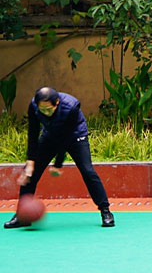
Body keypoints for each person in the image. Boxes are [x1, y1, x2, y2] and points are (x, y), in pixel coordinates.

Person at [6, 87, 114, 228]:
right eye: (42, 110)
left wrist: (58, 164)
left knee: (88, 171)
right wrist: (30, 161)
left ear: (57, 102)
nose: (46, 113)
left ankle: (105, 211)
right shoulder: (34, 105)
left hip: (75, 136)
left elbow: (65, 138)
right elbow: (33, 132)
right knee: (29, 173)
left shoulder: (71, 107)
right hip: (50, 135)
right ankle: (22, 215)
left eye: (49, 109)